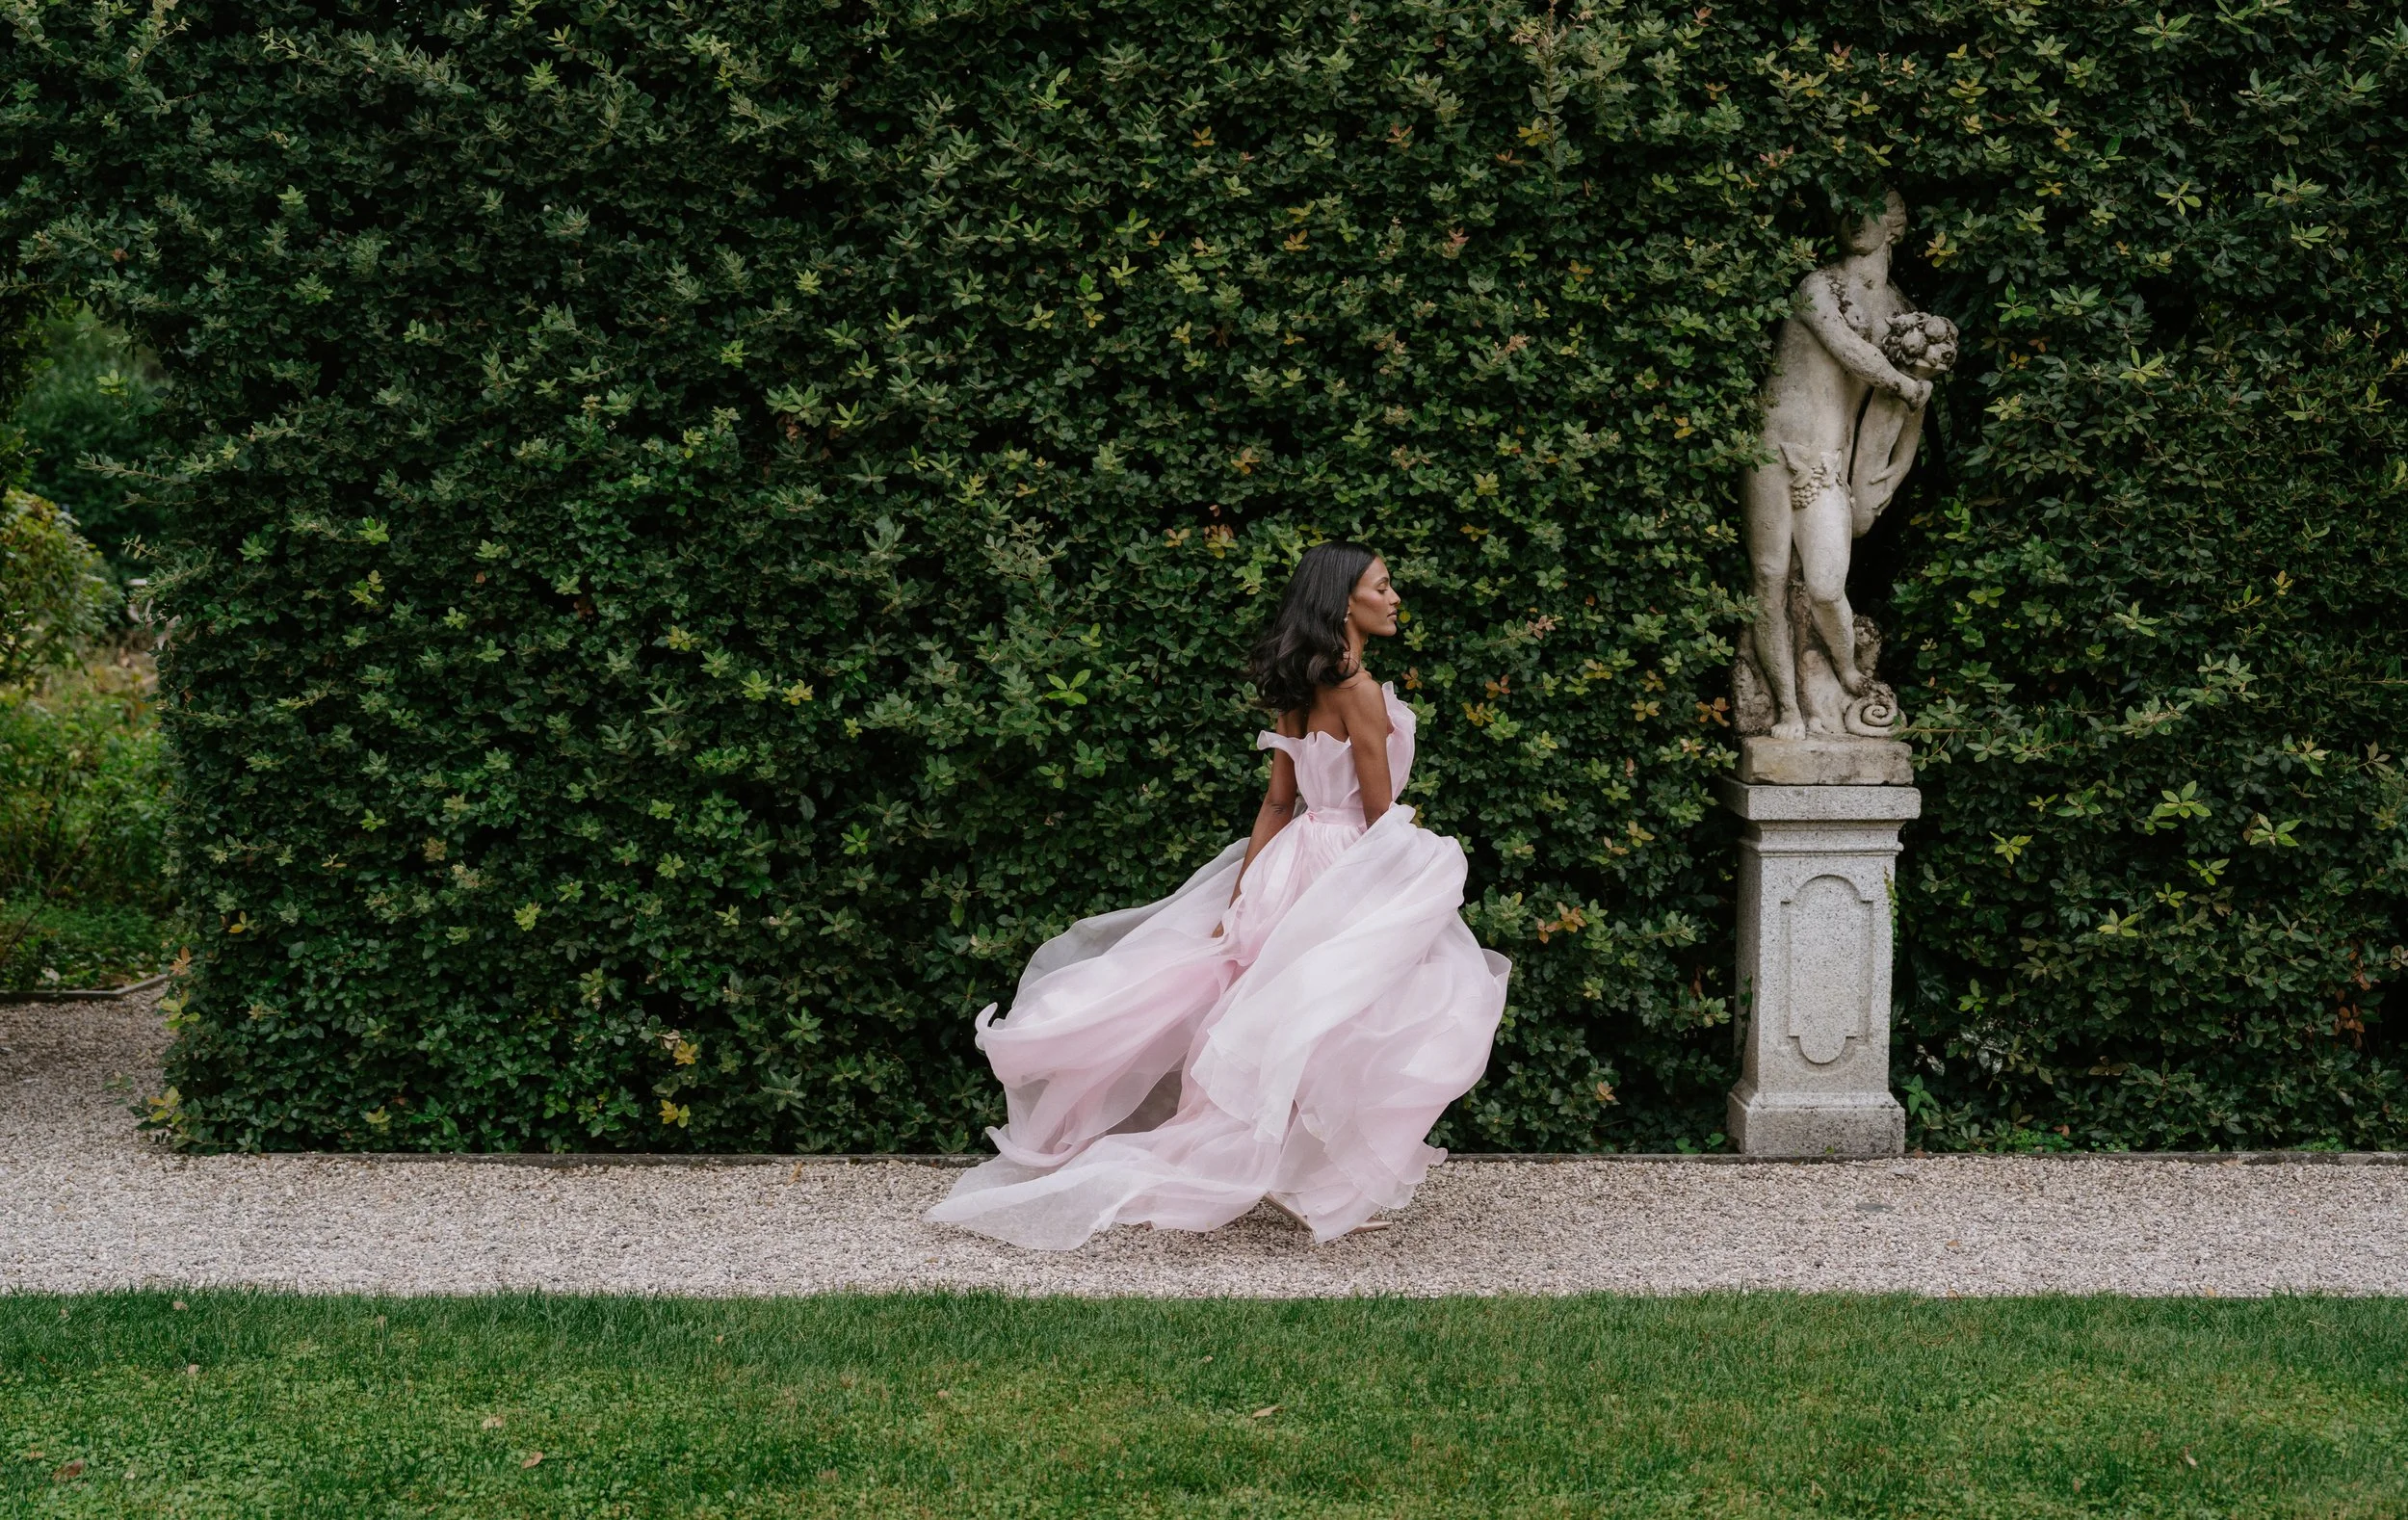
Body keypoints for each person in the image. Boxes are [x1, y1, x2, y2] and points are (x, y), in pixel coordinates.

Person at [925, 542, 1510, 1249]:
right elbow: (1381, 816)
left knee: (1287, 1011)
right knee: (1359, 1014)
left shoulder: (1298, 692)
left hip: (1294, 860)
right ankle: (1290, 1173)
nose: (1393, 599)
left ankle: (1281, 1167)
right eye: (1381, 588)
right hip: (1351, 861)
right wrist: (1417, 873)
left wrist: (1244, 897)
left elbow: (1276, 803)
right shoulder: (1359, 693)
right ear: (1343, 603)